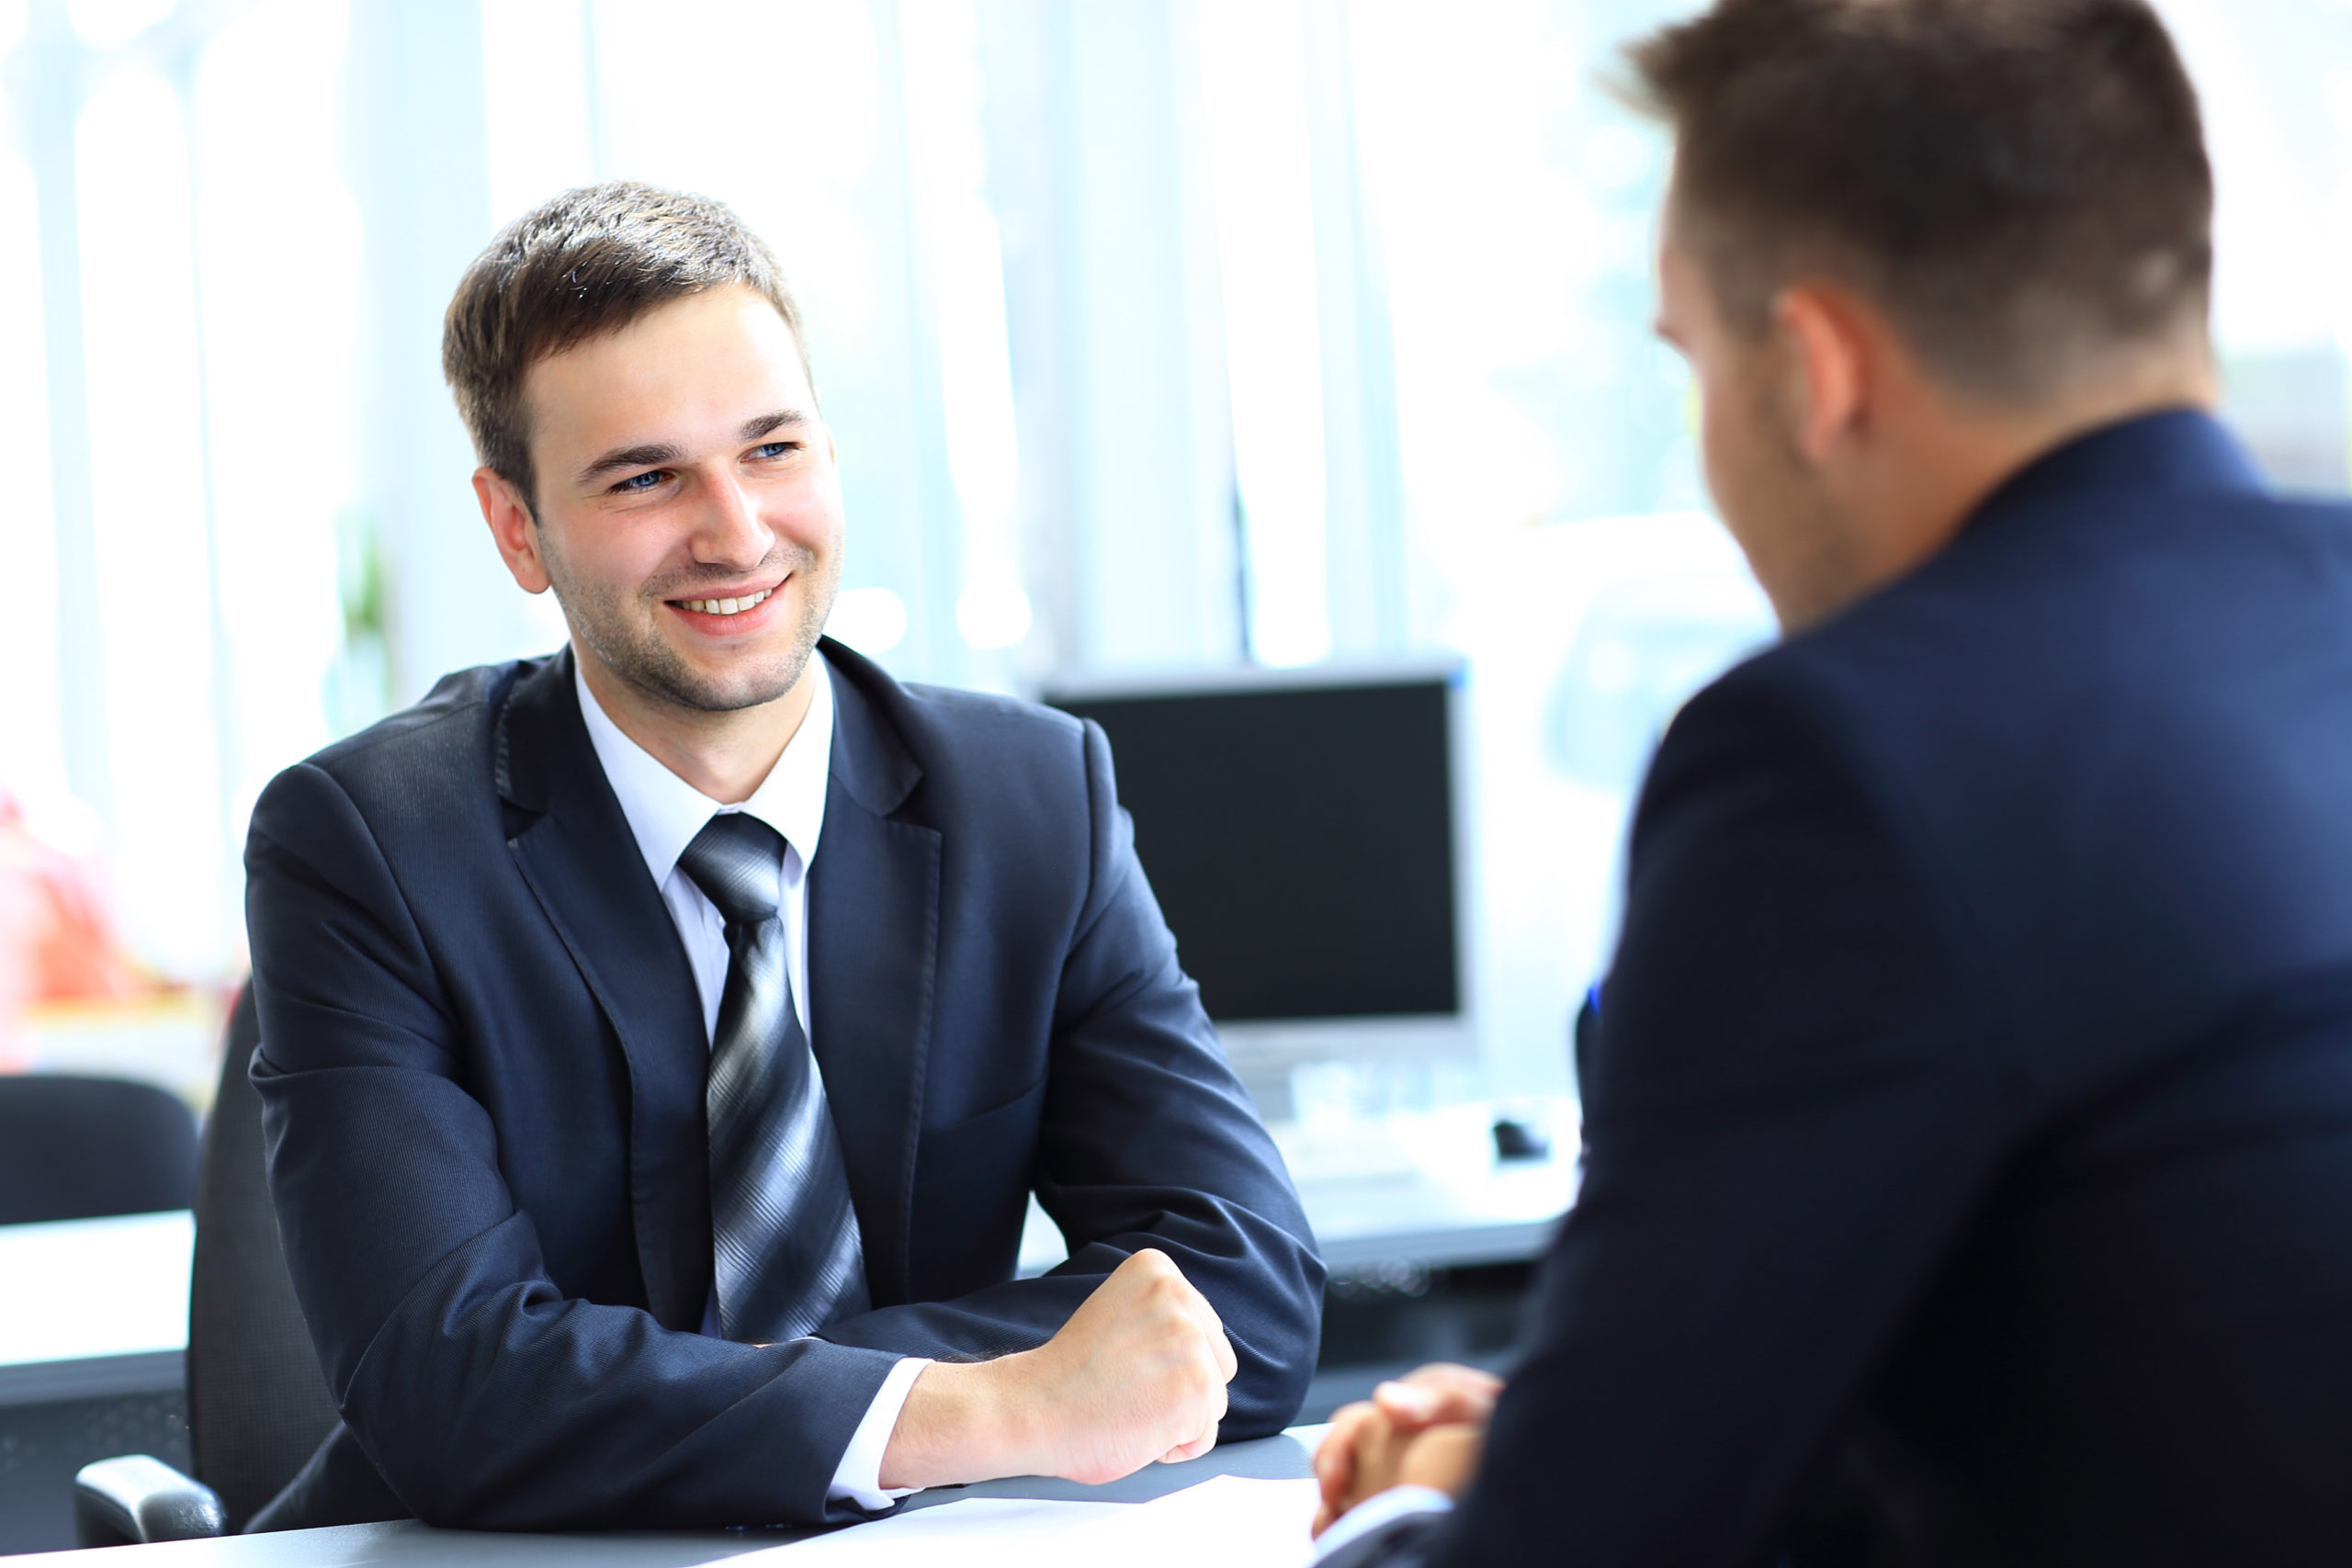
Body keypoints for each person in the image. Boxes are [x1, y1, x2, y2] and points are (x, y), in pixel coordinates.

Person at [1311, 1, 2352, 1563]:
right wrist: (1582, 1429)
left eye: (1696, 364)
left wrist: (1424, 1516)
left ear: (1817, 368)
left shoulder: (1840, 758)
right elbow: (2169, 1366)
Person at [242, 182, 1320, 1533]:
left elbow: (1247, 1295)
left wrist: (836, 1419)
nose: (738, 531)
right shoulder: (372, 845)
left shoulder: (1031, 800)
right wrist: (1002, 1406)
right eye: (644, 477)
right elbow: (449, 1389)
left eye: (772, 449)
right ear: (518, 529)